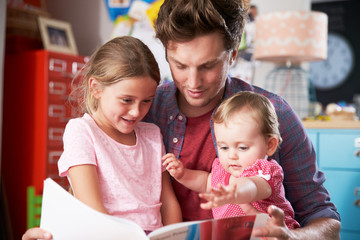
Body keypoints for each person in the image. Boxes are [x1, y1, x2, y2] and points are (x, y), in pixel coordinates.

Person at [23, 0, 341, 239]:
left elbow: (326, 219)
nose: (193, 82)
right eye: (179, 65)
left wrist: (294, 237)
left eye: (208, 66)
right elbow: (98, 187)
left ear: (232, 54)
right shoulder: (145, 108)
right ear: (165, 54)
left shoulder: (272, 112)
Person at [22, 36, 182, 240]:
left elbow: (168, 203)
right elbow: (93, 211)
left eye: (146, 101)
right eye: (127, 100)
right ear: (96, 88)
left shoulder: (151, 134)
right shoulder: (82, 131)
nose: (136, 111)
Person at [163, 91, 300, 230]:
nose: (231, 156)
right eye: (223, 147)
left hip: (273, 234)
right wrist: (182, 174)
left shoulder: (266, 171)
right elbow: (205, 182)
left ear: (270, 145)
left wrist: (234, 193)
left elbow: (252, 186)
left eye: (242, 147)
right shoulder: (222, 170)